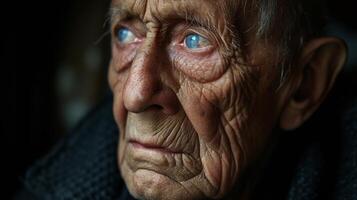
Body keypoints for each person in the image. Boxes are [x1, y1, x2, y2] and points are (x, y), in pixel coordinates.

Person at [16, 0, 356, 199]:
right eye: (126, 33)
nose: (135, 94)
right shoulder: (59, 182)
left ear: (304, 85)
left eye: (194, 41)